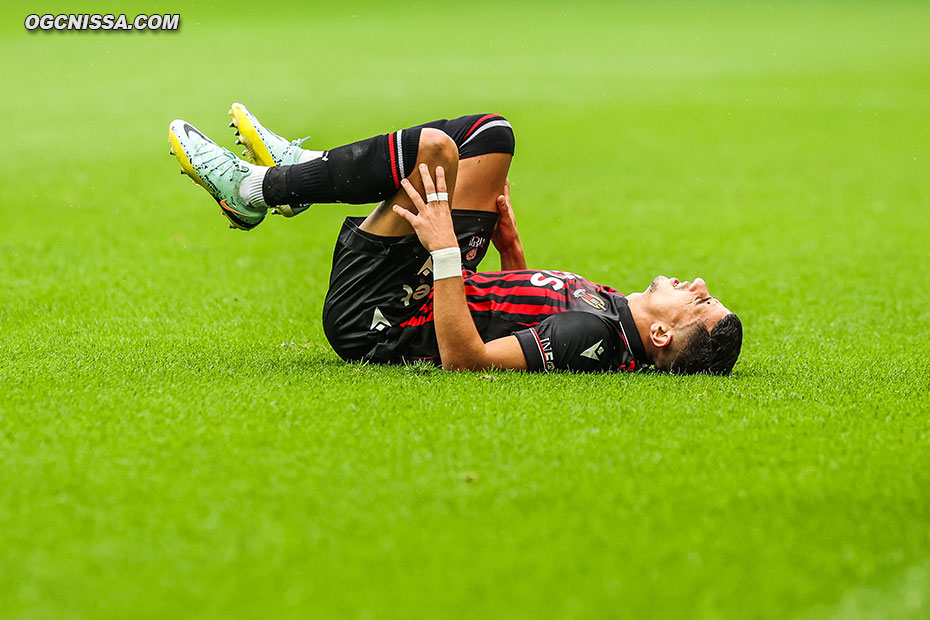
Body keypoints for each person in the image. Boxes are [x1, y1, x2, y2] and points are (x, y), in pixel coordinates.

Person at [168, 105, 742, 374]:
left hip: (381, 316)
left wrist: (445, 249)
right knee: (493, 135)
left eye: (699, 300)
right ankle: (306, 170)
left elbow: (469, 361)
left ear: (662, 333)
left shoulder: (595, 332)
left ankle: (257, 188)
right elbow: (521, 312)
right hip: (438, 282)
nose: (698, 284)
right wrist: (513, 254)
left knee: (435, 155)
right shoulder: (611, 315)